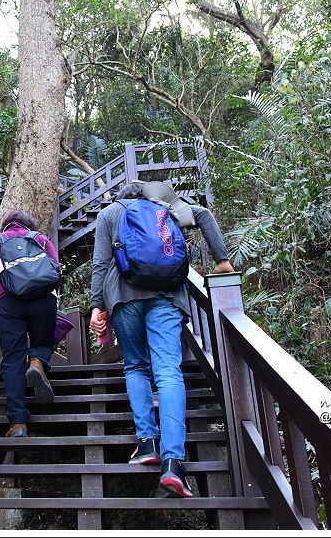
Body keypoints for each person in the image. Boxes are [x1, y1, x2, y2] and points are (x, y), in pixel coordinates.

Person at [89, 181, 235, 497]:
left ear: (122, 198)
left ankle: (147, 443)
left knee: (135, 366)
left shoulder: (110, 213)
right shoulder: (166, 210)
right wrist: (222, 260)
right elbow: (203, 214)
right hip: (167, 295)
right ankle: (173, 463)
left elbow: (100, 262)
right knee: (168, 371)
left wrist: (97, 306)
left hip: (123, 296)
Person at [0, 210, 61, 438]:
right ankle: (37, 361)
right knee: (42, 341)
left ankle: (18, 423)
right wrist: (51, 293)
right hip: (43, 299)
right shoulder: (39, 239)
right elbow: (56, 268)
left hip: (9, 302)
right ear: (28, 225)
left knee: (13, 358)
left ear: (6, 225)